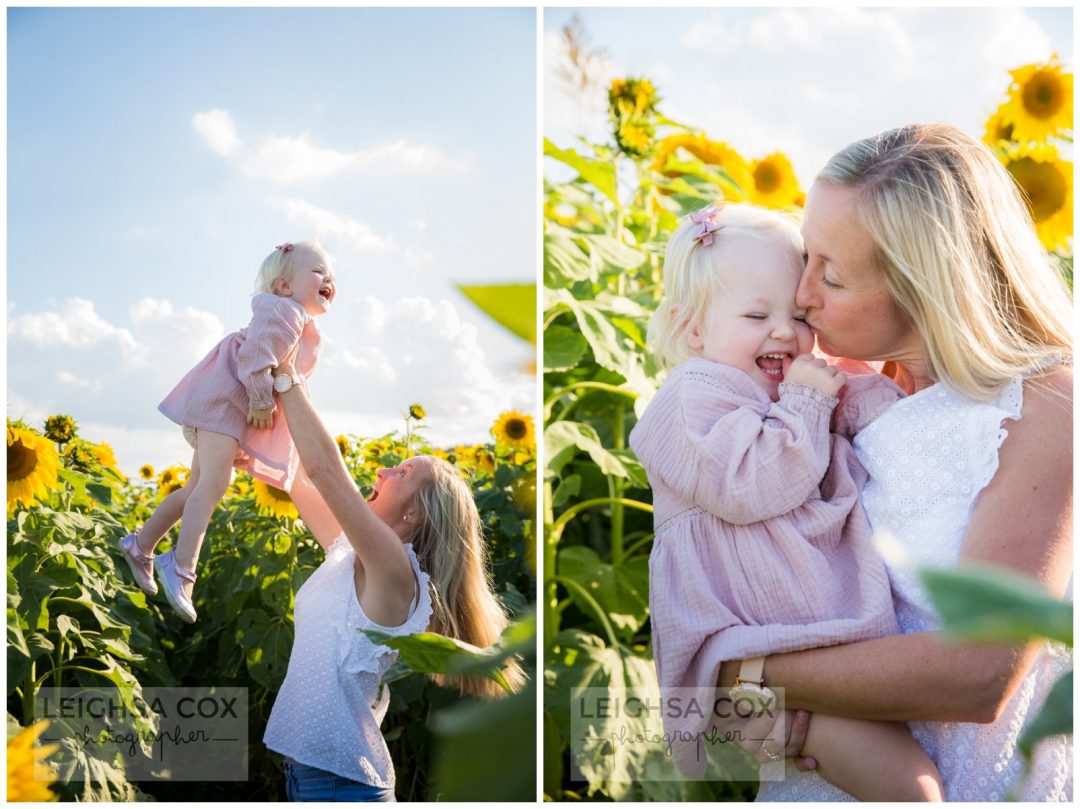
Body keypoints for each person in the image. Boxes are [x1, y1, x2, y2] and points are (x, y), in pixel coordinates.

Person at [733, 123, 1072, 801]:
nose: (802, 295)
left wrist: (739, 670)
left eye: (830, 273)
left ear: (924, 287)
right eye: (806, 257)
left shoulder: (1048, 404)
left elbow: (978, 670)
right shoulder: (829, 397)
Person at [628, 202, 943, 800]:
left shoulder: (786, 390)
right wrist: (806, 403)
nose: (783, 331)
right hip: (748, 661)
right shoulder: (691, 399)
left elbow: (879, 420)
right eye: (755, 314)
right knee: (912, 788)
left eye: (798, 315)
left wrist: (894, 393)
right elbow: (749, 486)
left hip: (808, 651)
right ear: (693, 330)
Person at [262, 345, 526, 801]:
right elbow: (298, 481)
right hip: (314, 777)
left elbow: (325, 470)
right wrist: (243, 431)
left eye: (401, 473)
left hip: (341, 787)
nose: (382, 470)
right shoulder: (350, 556)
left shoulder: (394, 569)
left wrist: (286, 373)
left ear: (414, 516)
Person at [117, 241, 339, 623]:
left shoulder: (293, 315)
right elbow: (256, 360)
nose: (328, 279)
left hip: (221, 398)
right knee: (214, 484)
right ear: (285, 285)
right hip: (227, 399)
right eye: (318, 271)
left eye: (330, 274)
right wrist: (259, 401)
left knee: (197, 487)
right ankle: (182, 567)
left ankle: (140, 545)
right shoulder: (284, 311)